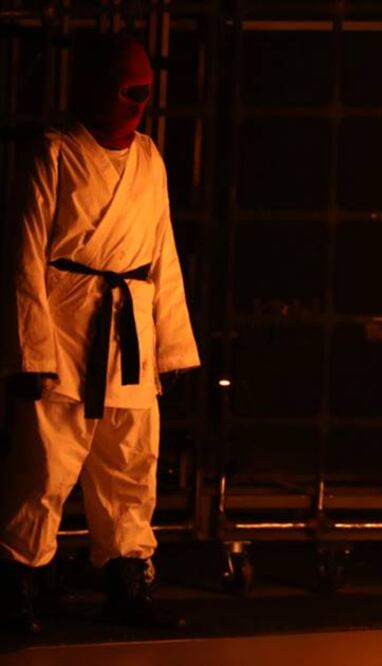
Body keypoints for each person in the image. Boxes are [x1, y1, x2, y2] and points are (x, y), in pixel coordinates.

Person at [0, 33, 200, 634]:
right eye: (128, 90)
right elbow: (24, 256)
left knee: (130, 464)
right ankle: (18, 587)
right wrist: (29, 350)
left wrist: (171, 347)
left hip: (131, 330)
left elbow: (163, 253)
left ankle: (128, 582)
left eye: (145, 91)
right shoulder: (54, 152)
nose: (139, 103)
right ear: (95, 87)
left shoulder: (149, 157)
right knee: (46, 466)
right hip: (64, 328)